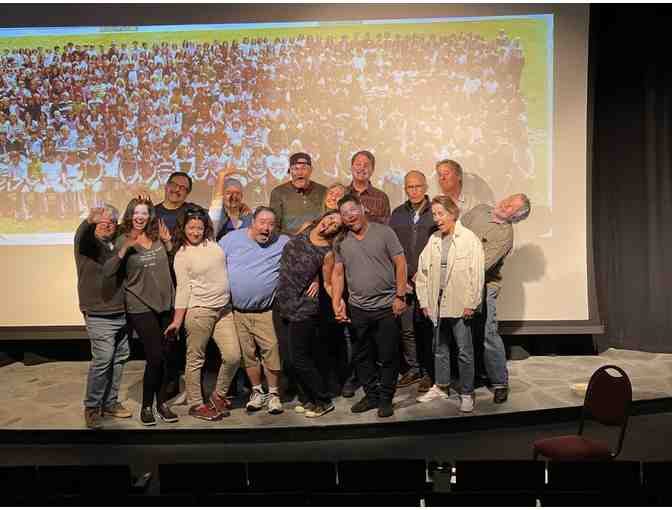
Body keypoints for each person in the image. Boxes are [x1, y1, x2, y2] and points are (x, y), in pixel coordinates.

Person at [332, 194, 408, 418]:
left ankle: (385, 399)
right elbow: (338, 273)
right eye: (344, 214)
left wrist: (400, 296)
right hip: (358, 308)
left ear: (362, 208)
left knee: (388, 356)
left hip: (386, 307)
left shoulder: (384, 232)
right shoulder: (340, 241)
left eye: (352, 210)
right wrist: (337, 302)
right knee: (362, 356)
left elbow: (400, 263)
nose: (350, 216)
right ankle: (371, 395)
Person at [103, 198, 177, 426]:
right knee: (155, 356)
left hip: (166, 303)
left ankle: (161, 403)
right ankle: (146, 406)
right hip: (140, 304)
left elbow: (173, 264)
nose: (140, 217)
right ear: (130, 215)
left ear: (150, 216)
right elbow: (108, 271)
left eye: (144, 213)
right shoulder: (122, 239)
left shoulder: (157, 236)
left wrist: (168, 243)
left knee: (166, 356)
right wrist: (125, 248)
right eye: (136, 212)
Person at [163, 206, 241, 421]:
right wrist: (177, 321)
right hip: (199, 311)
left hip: (223, 309)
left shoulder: (212, 241)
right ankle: (196, 404)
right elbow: (182, 289)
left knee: (233, 356)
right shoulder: (182, 255)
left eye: (199, 228)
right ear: (183, 228)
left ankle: (218, 396)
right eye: (191, 228)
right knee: (195, 359)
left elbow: (216, 205)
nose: (195, 232)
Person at [460, 193, 532, 404]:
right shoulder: (480, 209)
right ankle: (468, 378)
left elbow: (482, 265)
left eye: (511, 207)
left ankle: (500, 383)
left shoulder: (505, 235)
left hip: (485, 284)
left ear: (515, 217)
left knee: (488, 333)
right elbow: (456, 232)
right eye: (508, 200)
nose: (505, 204)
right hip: (457, 280)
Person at [415, 195, 484, 413]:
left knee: (464, 350)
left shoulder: (469, 239)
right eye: (434, 214)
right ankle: (441, 386)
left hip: (460, 303)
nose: (437, 218)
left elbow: (477, 274)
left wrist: (472, 302)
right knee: (440, 348)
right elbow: (423, 272)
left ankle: (467, 392)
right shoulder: (434, 239)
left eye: (440, 213)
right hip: (437, 303)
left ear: (452, 213)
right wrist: (424, 301)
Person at [219, 206, 290, 415]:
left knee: (272, 352)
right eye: (262, 222)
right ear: (253, 222)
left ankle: (274, 394)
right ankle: (257, 391)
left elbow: (305, 255)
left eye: (271, 224)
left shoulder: (283, 242)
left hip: (266, 311)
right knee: (247, 355)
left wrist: (314, 280)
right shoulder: (231, 239)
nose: (266, 228)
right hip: (237, 312)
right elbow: (212, 262)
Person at [275, 210, 343, 418]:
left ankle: (323, 400)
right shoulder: (306, 228)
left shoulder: (327, 252)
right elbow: (292, 249)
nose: (329, 224)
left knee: (301, 358)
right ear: (323, 216)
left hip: (304, 306)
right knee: (289, 358)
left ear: (335, 232)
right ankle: (308, 399)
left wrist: (337, 303)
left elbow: (328, 283)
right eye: (330, 218)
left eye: (335, 225)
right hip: (284, 301)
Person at [74, 204, 131, 429]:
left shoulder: (115, 244)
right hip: (98, 313)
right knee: (103, 360)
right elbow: (82, 233)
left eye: (112, 221)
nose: (108, 224)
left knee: (119, 359)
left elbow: (129, 226)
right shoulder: (87, 244)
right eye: (103, 221)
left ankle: (110, 403)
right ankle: (92, 407)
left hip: (121, 311)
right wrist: (89, 221)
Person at [388, 170, 436, 393]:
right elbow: (391, 248)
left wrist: (424, 274)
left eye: (418, 186)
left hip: (429, 281)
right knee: (406, 329)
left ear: (425, 187)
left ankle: (429, 372)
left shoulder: (436, 211)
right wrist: (401, 279)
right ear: (405, 189)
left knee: (427, 329)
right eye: (410, 187)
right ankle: (414, 368)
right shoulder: (397, 214)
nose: (414, 191)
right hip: (404, 281)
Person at [269, 152, 327, 235]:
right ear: (290, 171)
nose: (300, 173)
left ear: (311, 170)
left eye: (304, 168)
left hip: (316, 239)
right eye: (295, 168)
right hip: (288, 240)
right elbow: (274, 225)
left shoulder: (323, 191)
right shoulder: (278, 192)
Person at [346, 150, 391, 224]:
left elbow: (385, 227)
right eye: (358, 164)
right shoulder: (342, 193)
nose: (362, 168)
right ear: (351, 168)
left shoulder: (381, 197)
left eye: (366, 165)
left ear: (372, 170)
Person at [210, 174, 252, 241]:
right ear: (223, 196)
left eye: (237, 193)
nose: (233, 197)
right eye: (228, 193)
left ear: (242, 196)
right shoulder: (216, 213)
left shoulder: (248, 216)